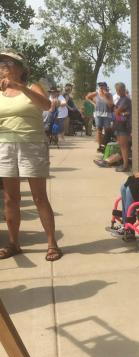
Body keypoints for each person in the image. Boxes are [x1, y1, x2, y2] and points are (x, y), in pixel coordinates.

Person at [0, 49, 62, 261]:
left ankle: (52, 243)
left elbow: (46, 106)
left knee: (39, 197)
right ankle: (13, 243)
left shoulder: (32, 87)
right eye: (0, 64)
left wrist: (19, 88)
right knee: (10, 199)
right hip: (5, 146)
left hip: (32, 144)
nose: (2, 67)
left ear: (20, 68)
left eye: (6, 63)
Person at [86, 82, 113, 151]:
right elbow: (87, 97)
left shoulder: (109, 95)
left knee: (107, 130)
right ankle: (100, 146)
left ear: (106, 87)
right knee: (99, 131)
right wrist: (93, 103)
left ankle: (106, 144)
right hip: (98, 114)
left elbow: (110, 105)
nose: (101, 87)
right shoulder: (96, 93)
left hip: (107, 114)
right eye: (99, 85)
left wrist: (105, 96)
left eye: (102, 86)